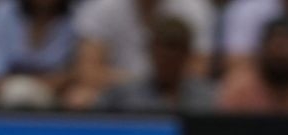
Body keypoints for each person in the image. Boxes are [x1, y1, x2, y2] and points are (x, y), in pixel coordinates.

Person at [68, 0, 211, 108]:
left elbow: (198, 69)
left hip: (180, 88)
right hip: (121, 89)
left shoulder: (193, 7)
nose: (167, 58)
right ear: (150, 50)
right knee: (80, 98)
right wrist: (140, 83)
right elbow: (87, 71)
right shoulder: (102, 8)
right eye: (163, 53)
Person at [0, 0, 78, 107]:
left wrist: (39, 86)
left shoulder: (77, 17)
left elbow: (77, 73)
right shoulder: (1, 11)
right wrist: (18, 87)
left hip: (58, 105)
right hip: (0, 102)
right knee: (17, 92)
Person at [99, 14, 216, 111]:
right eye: (163, 58)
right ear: (151, 52)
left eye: (174, 60)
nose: (168, 64)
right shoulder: (123, 97)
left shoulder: (204, 99)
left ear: (187, 55)